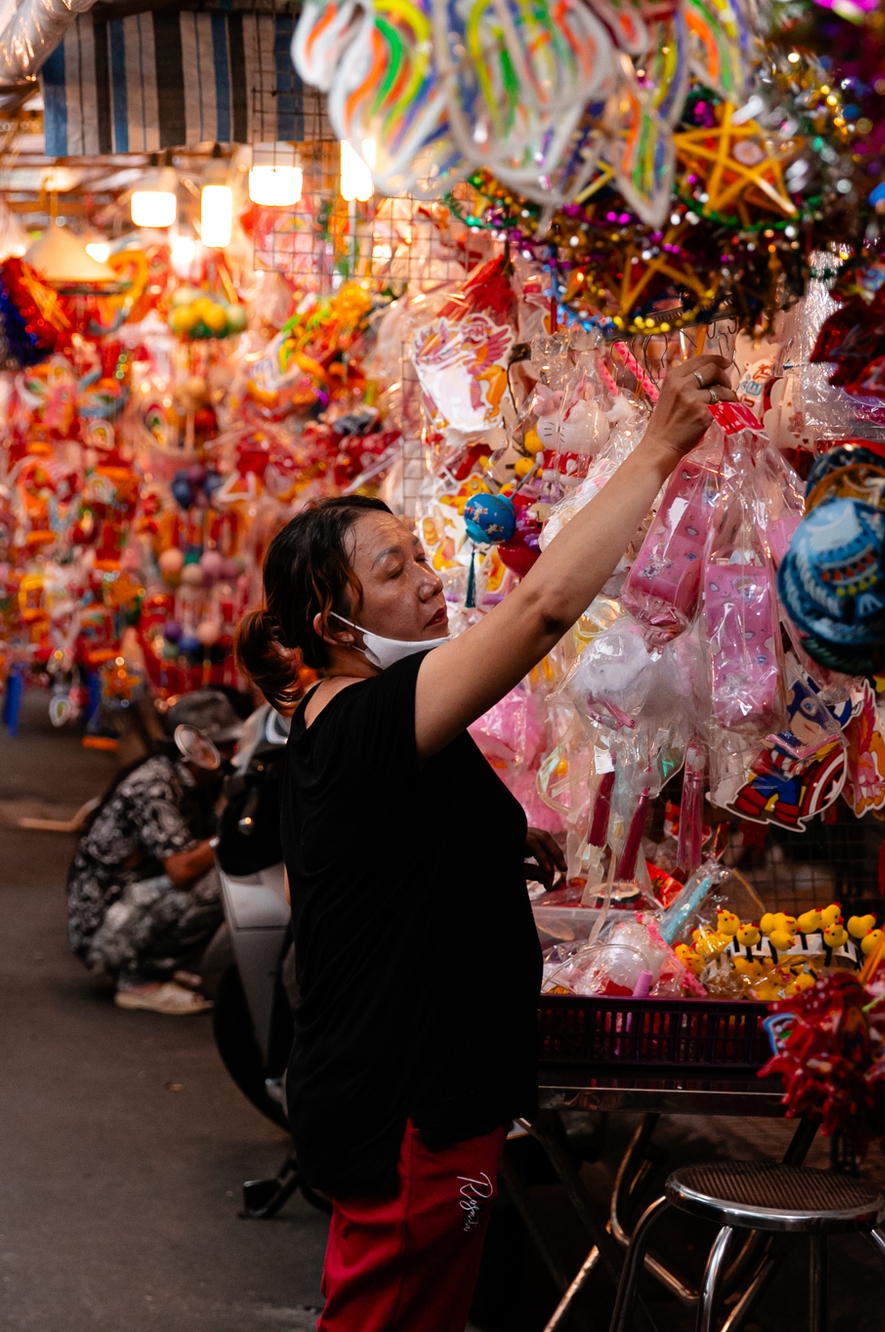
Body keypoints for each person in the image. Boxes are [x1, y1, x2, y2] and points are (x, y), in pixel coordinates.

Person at [232, 353, 726, 1330]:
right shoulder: (366, 723)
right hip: (407, 1107)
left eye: (419, 555)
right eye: (392, 570)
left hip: (412, 1092)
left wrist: (499, 851)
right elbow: (541, 608)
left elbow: (390, 852)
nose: (425, 581)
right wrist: (657, 447)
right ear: (331, 624)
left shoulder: (367, 717)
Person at [65, 690, 241, 1015]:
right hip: (102, 931)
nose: (231, 755)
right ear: (194, 747)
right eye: (223, 746)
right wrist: (230, 832)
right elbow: (181, 870)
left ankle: (153, 967)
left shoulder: (195, 782)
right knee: (220, 884)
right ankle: (140, 978)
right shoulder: (155, 785)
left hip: (131, 905)